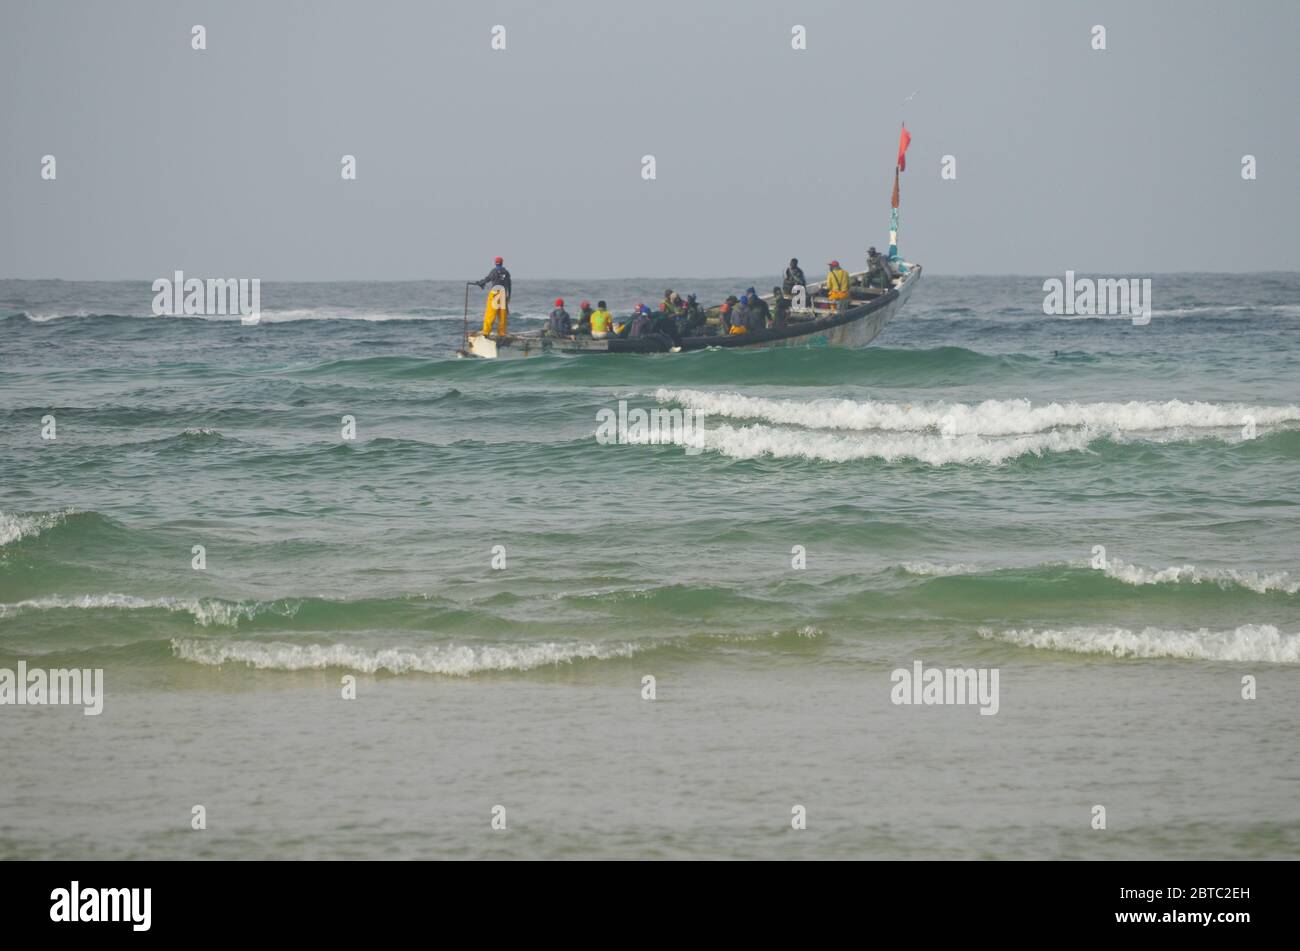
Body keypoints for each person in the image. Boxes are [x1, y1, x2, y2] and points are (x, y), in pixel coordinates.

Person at [476, 256, 512, 336]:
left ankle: (486, 332)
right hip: (503, 293)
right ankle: (502, 333)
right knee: (502, 315)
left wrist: (481, 283)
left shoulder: (494, 271)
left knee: (490, 313)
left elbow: (487, 279)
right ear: (502, 262)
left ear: (495, 263)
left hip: (495, 292)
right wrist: (508, 297)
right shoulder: (506, 272)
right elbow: (509, 285)